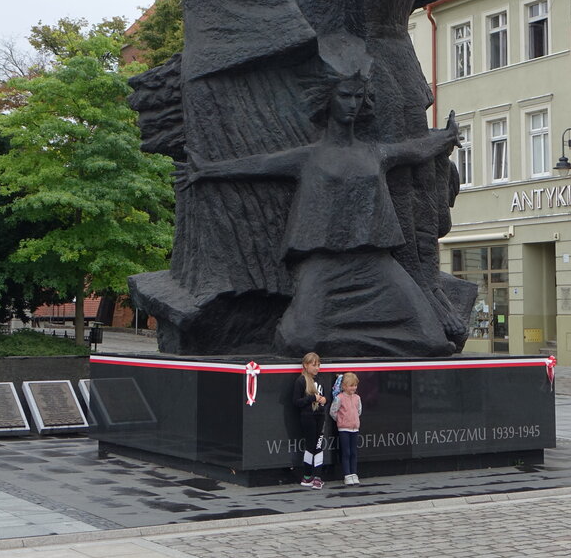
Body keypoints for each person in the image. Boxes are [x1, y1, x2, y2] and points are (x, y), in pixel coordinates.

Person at [180, 67, 459, 357]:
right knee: (296, 342)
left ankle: (348, 348)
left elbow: (416, 149)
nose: (352, 104)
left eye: (358, 97)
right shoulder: (309, 157)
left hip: (372, 264)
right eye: (345, 96)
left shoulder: (375, 153)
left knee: (433, 340)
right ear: (329, 99)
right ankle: (344, 344)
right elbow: (260, 164)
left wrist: (447, 137)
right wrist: (208, 170)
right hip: (323, 266)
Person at [292, 351, 328, 488]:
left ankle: (316, 476)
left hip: (320, 415)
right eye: (314, 365)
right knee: (311, 445)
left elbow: (325, 398)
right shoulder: (301, 381)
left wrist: (324, 400)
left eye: (318, 365)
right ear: (306, 365)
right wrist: (312, 398)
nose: (317, 368)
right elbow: (296, 401)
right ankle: (308, 476)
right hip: (307, 417)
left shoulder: (321, 380)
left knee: (318, 445)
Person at [328, 372, 362, 486]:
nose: (353, 388)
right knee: (346, 452)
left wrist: (355, 420)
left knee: (353, 452)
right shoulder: (339, 398)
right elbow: (333, 411)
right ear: (344, 386)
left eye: (355, 385)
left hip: (354, 428)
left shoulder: (357, 398)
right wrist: (341, 420)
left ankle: (354, 473)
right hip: (344, 429)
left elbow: (359, 411)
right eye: (351, 385)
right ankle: (347, 475)